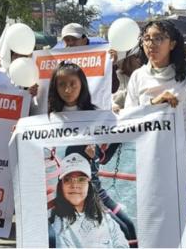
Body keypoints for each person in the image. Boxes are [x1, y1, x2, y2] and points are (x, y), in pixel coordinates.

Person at [48, 61, 137, 245]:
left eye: (73, 83)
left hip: (95, 190)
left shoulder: (96, 115)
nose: (67, 89)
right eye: (62, 84)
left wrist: (119, 120)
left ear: (82, 84)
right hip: (69, 194)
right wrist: (19, 130)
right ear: (54, 88)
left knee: (128, 227)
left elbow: (104, 157)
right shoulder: (47, 117)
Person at [125, 20, 186, 203]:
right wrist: (153, 105)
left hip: (179, 159)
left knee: (177, 218)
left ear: (172, 44)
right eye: (146, 38)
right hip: (146, 158)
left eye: (158, 38)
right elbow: (128, 123)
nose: (151, 44)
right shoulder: (137, 77)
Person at [49, 153, 129, 248]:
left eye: (81, 179)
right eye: (67, 179)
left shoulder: (104, 216)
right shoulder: (59, 230)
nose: (74, 185)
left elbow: (120, 241)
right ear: (61, 187)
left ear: (89, 185)